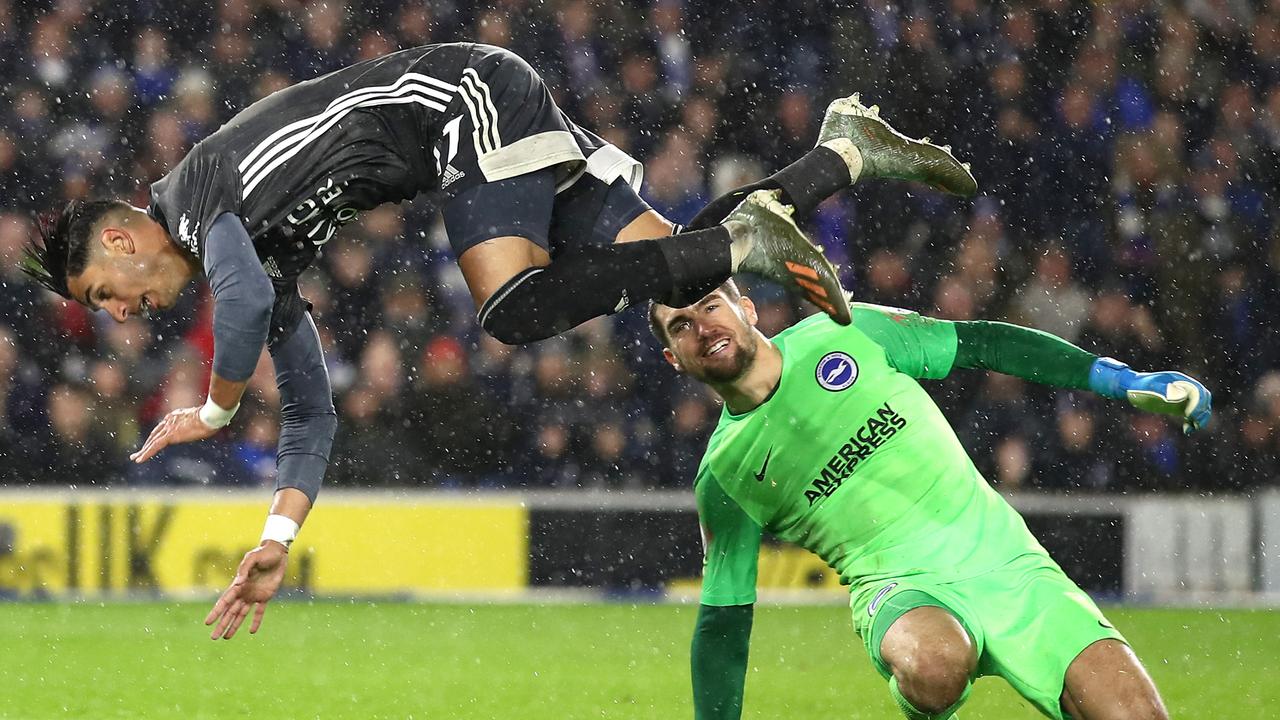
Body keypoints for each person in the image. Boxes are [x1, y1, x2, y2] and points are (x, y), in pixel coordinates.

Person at [18, 42, 975, 639]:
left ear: (120, 238)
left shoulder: (196, 201)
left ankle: (750, 237)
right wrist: (278, 533)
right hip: (469, 123)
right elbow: (309, 411)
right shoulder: (250, 254)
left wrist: (216, 409)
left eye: (107, 291)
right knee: (681, 285)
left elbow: (229, 300)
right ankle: (842, 151)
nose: (119, 312)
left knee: (512, 308)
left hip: (462, 103)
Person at [648, 281, 1211, 720]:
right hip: (899, 589)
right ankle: (924, 705)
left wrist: (1119, 379)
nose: (702, 327)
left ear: (746, 307)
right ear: (673, 358)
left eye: (709, 306)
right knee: (937, 665)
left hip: (1011, 565)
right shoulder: (724, 474)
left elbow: (982, 343)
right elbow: (724, 618)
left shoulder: (845, 331)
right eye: (682, 325)